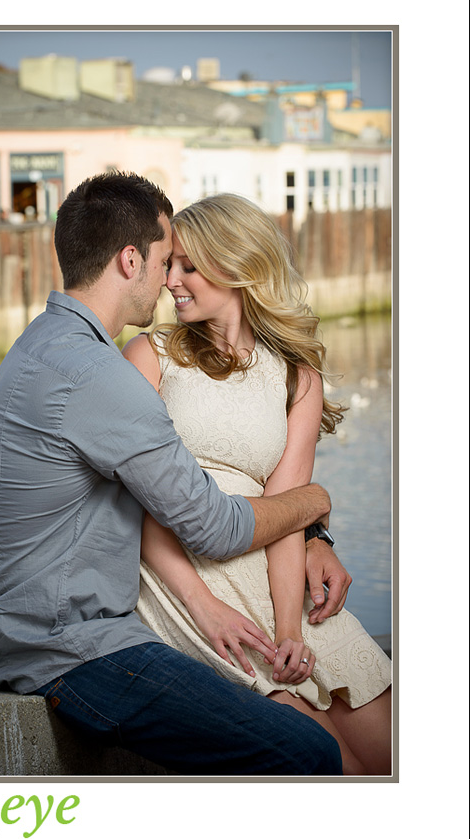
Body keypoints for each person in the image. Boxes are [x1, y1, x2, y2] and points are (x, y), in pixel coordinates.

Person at [0, 171, 349, 776]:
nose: (169, 278)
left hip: (40, 641)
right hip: (79, 654)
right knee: (309, 751)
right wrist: (315, 503)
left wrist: (311, 541)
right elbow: (214, 528)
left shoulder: (40, 347)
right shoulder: (101, 376)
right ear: (130, 260)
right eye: (163, 257)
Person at [122, 192, 392, 775]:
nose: (171, 280)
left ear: (239, 267)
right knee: (329, 761)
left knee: (391, 752)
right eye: (170, 264)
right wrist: (206, 606)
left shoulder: (296, 374)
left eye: (189, 266)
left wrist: (292, 628)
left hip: (275, 580)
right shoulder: (150, 356)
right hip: (183, 580)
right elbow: (130, 502)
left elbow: (287, 513)